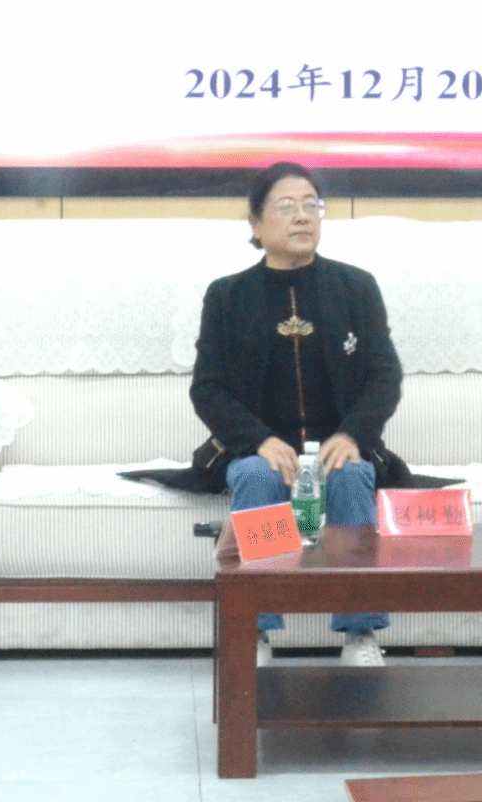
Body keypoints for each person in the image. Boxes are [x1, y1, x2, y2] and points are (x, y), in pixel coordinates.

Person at [190, 162, 404, 668]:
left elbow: (384, 375)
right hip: (261, 448)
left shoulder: (355, 287)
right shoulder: (227, 296)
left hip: (336, 445)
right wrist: (258, 440)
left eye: (312, 205)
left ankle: (360, 632)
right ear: (255, 223)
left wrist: (353, 434)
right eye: (286, 207)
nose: (303, 217)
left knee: (352, 475)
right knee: (256, 477)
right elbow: (208, 388)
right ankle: (257, 628)